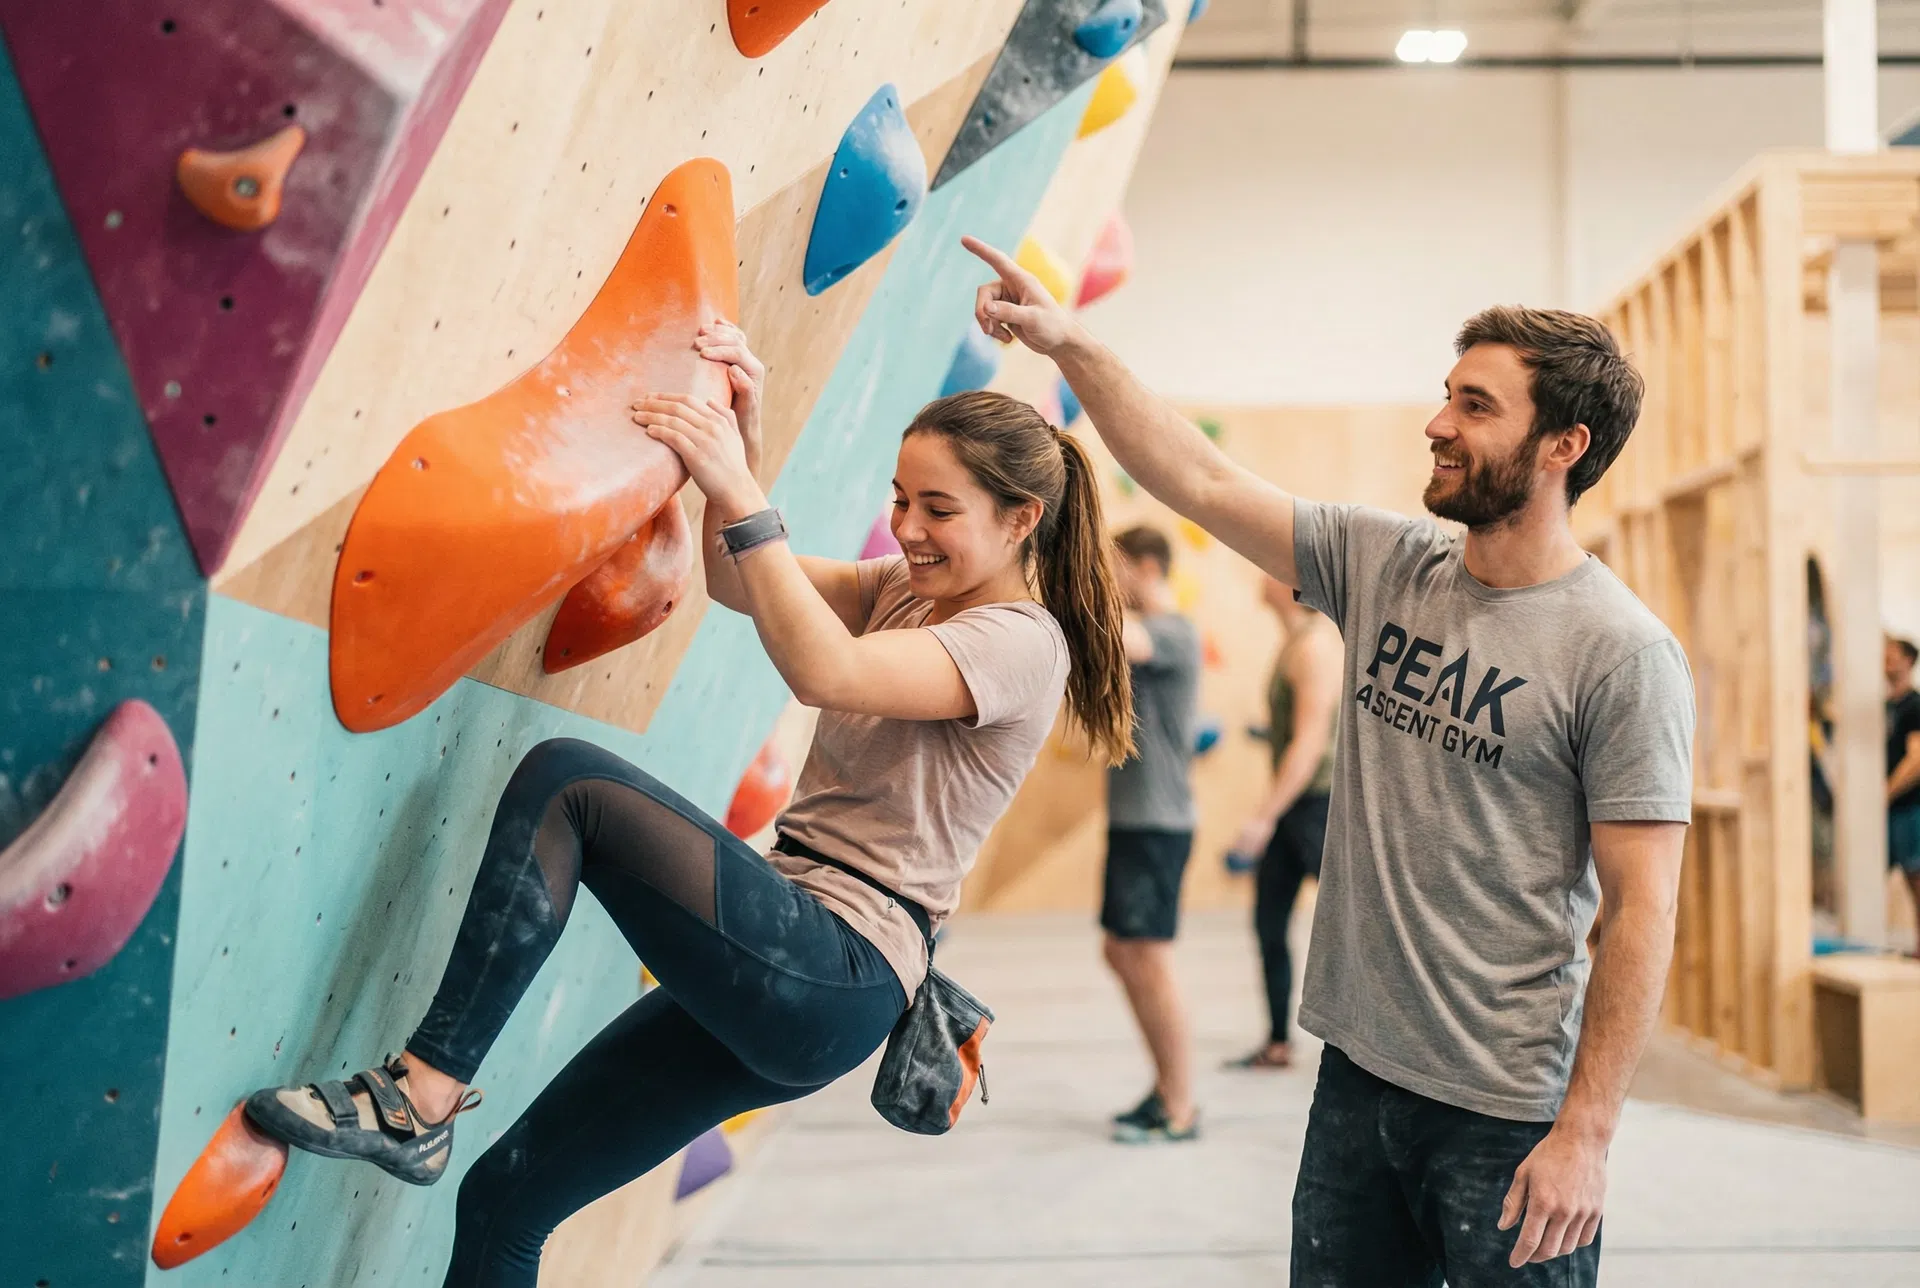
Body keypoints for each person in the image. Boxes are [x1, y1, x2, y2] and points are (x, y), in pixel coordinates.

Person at [242, 323, 1133, 1286]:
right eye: (900, 499)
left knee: (570, 784)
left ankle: (421, 1094)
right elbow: (729, 577)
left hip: (842, 965)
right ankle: (425, 1109)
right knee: (506, 1198)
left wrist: (747, 495)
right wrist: (734, 458)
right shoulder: (906, 593)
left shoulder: (1021, 640)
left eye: (939, 509)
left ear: (1019, 520)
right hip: (794, 953)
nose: (910, 527)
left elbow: (820, 667)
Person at [963, 234, 1694, 1287]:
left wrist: (1588, 1130)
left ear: (1563, 445)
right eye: (1447, 395)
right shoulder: (1389, 562)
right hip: (1355, 1077)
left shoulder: (1622, 654)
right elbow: (1200, 477)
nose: (1439, 423)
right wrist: (1073, 341)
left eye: (1477, 407)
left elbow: (1642, 909)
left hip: (1505, 1111)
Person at [1102, 525, 1203, 1143]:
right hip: (1135, 821)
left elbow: (1119, 635)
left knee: (1148, 958)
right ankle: (1166, 1087)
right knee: (1121, 951)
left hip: (1159, 823)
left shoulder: (1173, 632)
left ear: (1145, 567)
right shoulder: (1148, 633)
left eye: (1114, 571)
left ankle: (1181, 1104)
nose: (1110, 584)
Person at [1226, 577, 1341, 1072]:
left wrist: (1261, 818)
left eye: (1266, 568)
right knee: (1268, 923)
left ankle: (1375, 1053)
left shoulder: (1314, 646)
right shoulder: (1295, 642)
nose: (1258, 573)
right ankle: (1277, 1042)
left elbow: (1311, 743)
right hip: (1295, 806)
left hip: (1317, 806)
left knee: (1353, 930)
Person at [1886, 634, 1920, 940]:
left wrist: (1886, 791)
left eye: (1894, 654)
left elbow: (1917, 759)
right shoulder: (1886, 707)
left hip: (1910, 806)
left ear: (1909, 661)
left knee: (1916, 877)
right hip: (1890, 808)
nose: (1887, 658)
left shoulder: (1914, 706)